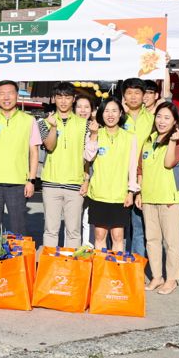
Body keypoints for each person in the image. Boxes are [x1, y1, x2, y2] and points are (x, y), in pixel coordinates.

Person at [137, 101, 179, 295]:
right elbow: (141, 169)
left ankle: (172, 279)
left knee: (171, 241)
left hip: (170, 200)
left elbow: (168, 163)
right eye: (159, 116)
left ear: (175, 121)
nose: (162, 121)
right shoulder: (149, 140)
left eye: (167, 118)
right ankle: (157, 276)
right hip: (149, 197)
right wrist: (140, 192)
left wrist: (173, 141)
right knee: (152, 239)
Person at [0, 80, 41, 235]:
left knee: (18, 228)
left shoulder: (29, 120)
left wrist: (31, 180)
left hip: (18, 183)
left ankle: (19, 258)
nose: (6, 97)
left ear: (17, 95)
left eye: (10, 93)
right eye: (2, 94)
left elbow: (34, 152)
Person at [81, 96, 137, 252]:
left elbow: (133, 166)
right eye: (106, 111)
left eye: (114, 111)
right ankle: (101, 273)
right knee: (99, 235)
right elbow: (88, 156)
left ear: (120, 113)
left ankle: (116, 273)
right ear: (101, 114)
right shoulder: (94, 134)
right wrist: (93, 135)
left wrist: (131, 191)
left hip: (120, 195)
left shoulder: (130, 137)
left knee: (118, 236)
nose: (110, 115)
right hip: (98, 194)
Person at [39, 82, 88, 248]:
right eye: (60, 97)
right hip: (51, 183)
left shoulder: (85, 124)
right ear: (54, 99)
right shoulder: (43, 123)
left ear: (73, 99)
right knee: (51, 230)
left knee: (73, 231)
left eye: (67, 97)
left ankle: (71, 270)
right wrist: (53, 126)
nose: (63, 101)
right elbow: (50, 146)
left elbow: (88, 157)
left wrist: (86, 179)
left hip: (75, 183)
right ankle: (50, 269)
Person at [122, 78, 154, 256]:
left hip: (143, 178)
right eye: (129, 93)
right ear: (124, 96)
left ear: (144, 96)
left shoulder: (153, 120)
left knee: (139, 227)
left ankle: (136, 268)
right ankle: (114, 265)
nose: (133, 97)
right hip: (119, 177)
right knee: (117, 227)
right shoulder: (116, 118)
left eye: (137, 93)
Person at [74, 94, 96, 246]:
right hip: (72, 177)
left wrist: (87, 179)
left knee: (87, 219)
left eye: (86, 107)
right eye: (79, 107)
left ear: (92, 110)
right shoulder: (69, 125)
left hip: (91, 176)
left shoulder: (95, 129)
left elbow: (89, 158)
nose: (83, 110)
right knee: (72, 220)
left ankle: (87, 250)